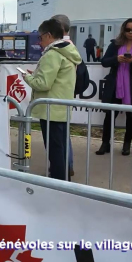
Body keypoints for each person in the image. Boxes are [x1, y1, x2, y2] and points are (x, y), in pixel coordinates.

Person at [23, 18, 82, 181]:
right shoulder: (67, 52)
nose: (39, 41)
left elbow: (43, 84)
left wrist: (27, 77)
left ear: (48, 35)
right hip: (60, 108)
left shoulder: (52, 54)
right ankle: (63, 181)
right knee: (60, 149)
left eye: (40, 37)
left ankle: (58, 183)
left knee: (55, 152)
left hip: (50, 110)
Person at [96, 18, 132, 156]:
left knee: (131, 116)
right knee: (109, 115)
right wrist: (116, 59)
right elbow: (104, 62)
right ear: (123, 29)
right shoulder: (115, 44)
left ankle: (127, 144)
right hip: (115, 85)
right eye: (128, 29)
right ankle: (105, 143)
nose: (130, 32)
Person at [50, 14, 75, 176]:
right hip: (63, 99)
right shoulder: (69, 47)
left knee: (58, 142)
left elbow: (46, 81)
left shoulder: (59, 48)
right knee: (62, 139)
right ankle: (65, 168)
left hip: (56, 102)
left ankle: (62, 171)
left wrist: (32, 78)